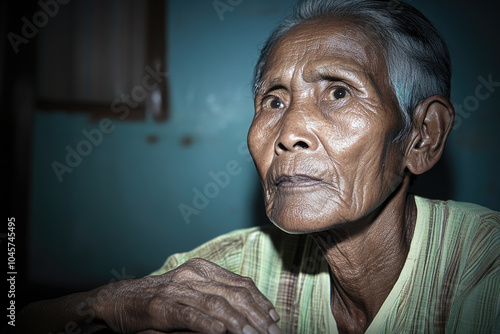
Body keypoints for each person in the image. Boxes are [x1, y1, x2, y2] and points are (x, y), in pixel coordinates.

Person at [16, 0, 499, 333]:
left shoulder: (486, 271)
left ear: (422, 135)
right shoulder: (238, 270)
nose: (289, 131)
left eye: (338, 92)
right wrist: (105, 303)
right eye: (273, 100)